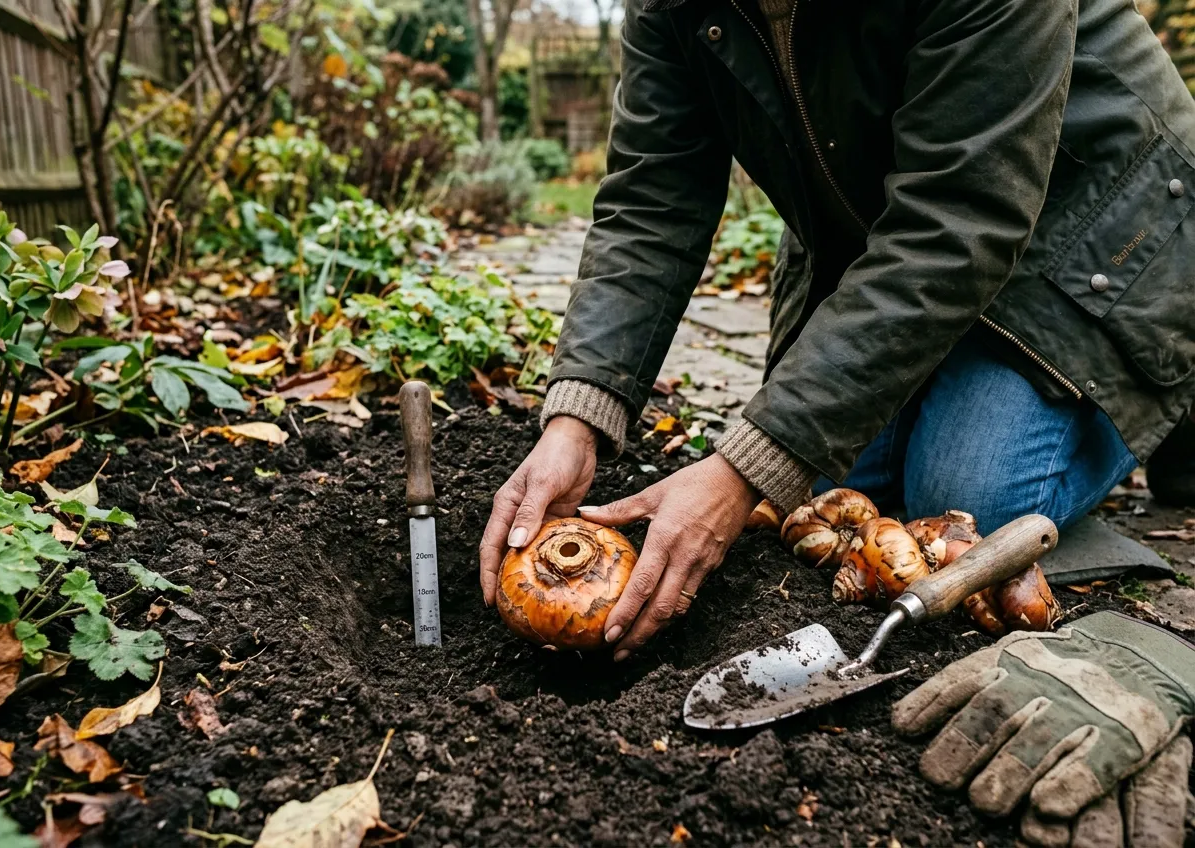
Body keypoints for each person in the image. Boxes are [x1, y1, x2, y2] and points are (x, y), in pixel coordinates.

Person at [480, 0, 1195, 839]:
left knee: (964, 502)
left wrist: (744, 466)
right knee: (834, 500)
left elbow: (961, 218)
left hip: (1097, 225)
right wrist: (578, 417)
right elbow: (652, 197)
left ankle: (1166, 367)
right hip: (884, 225)